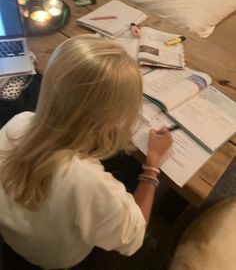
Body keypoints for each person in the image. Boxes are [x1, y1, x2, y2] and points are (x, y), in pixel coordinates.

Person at [0, 35, 172, 270]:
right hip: (55, 261)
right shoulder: (89, 183)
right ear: (112, 118)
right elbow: (134, 235)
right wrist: (152, 165)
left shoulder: (18, 123)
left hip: (15, 240)